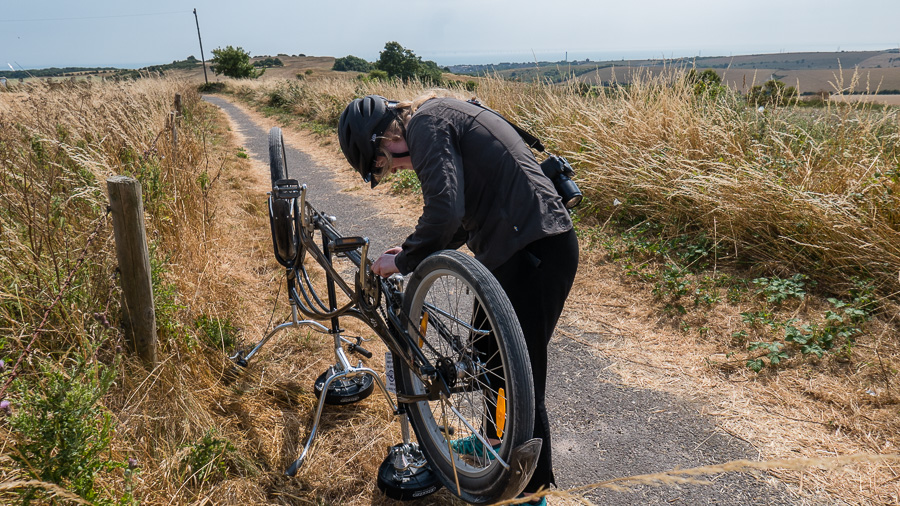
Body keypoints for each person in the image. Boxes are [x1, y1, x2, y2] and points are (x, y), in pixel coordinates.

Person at [338, 92, 579, 505]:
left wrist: (408, 259)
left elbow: (445, 210)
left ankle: (531, 493)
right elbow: (461, 218)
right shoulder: (440, 116)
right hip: (518, 249)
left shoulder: (427, 126)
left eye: (387, 161)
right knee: (489, 356)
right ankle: (491, 444)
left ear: (386, 136)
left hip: (535, 252)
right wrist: (410, 252)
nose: (397, 167)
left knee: (523, 379)